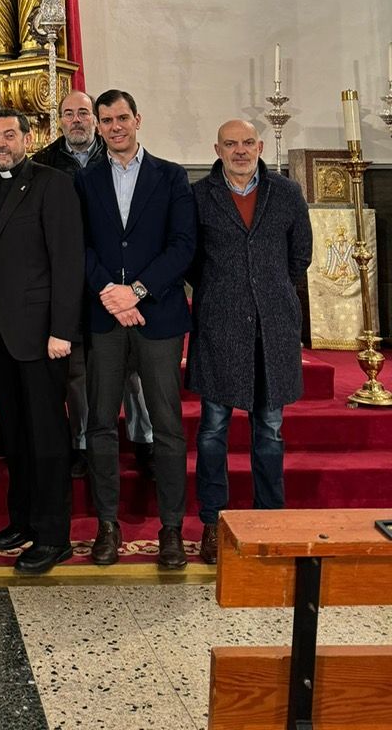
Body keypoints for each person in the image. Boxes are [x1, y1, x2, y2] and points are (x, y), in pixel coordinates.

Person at [76, 89, 196, 570]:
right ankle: (107, 526)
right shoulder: (85, 180)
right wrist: (110, 290)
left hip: (159, 317)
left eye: (122, 117)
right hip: (105, 317)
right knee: (101, 423)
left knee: (167, 426)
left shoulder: (170, 176)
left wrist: (138, 291)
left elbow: (183, 245)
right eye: (106, 121)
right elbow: (79, 245)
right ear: (99, 127)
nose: (115, 127)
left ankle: (171, 530)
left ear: (137, 120)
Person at [187, 119, 313, 565]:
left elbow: (301, 255)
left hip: (273, 325)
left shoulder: (287, 193)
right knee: (213, 430)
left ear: (260, 146)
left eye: (246, 143)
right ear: (216, 148)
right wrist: (227, 292)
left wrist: (267, 289)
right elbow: (191, 260)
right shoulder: (199, 196)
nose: (239, 151)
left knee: (270, 429)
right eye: (230, 144)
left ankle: (270, 519)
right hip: (219, 323)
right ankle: (211, 521)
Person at [0, 109, 84, 574]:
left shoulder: (53, 184)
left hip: (40, 334)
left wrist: (62, 330)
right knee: (15, 433)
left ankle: (55, 536)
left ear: (28, 138)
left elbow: (67, 261)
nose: (1, 143)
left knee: (48, 436)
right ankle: (23, 520)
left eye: (9, 135)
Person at [35, 89, 154, 480]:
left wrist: (127, 289)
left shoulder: (118, 155)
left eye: (83, 113)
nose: (76, 120)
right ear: (60, 120)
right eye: (68, 114)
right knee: (79, 372)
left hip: (126, 283)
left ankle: (144, 440)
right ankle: (84, 443)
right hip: (75, 282)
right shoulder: (44, 163)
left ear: (97, 119)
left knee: (134, 368)